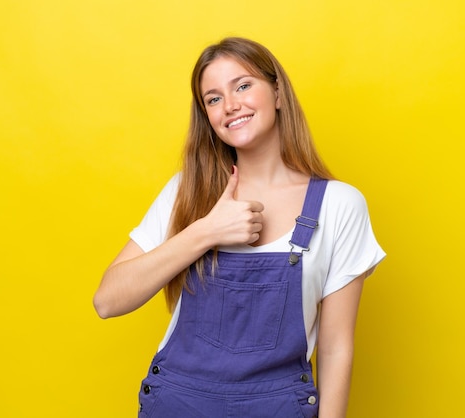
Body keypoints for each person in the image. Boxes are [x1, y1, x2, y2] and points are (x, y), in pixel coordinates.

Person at [93, 37, 385, 418]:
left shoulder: (339, 205)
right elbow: (107, 301)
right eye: (213, 99)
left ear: (277, 92)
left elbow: (336, 348)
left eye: (243, 85)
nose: (230, 105)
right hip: (177, 405)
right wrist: (206, 231)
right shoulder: (186, 191)